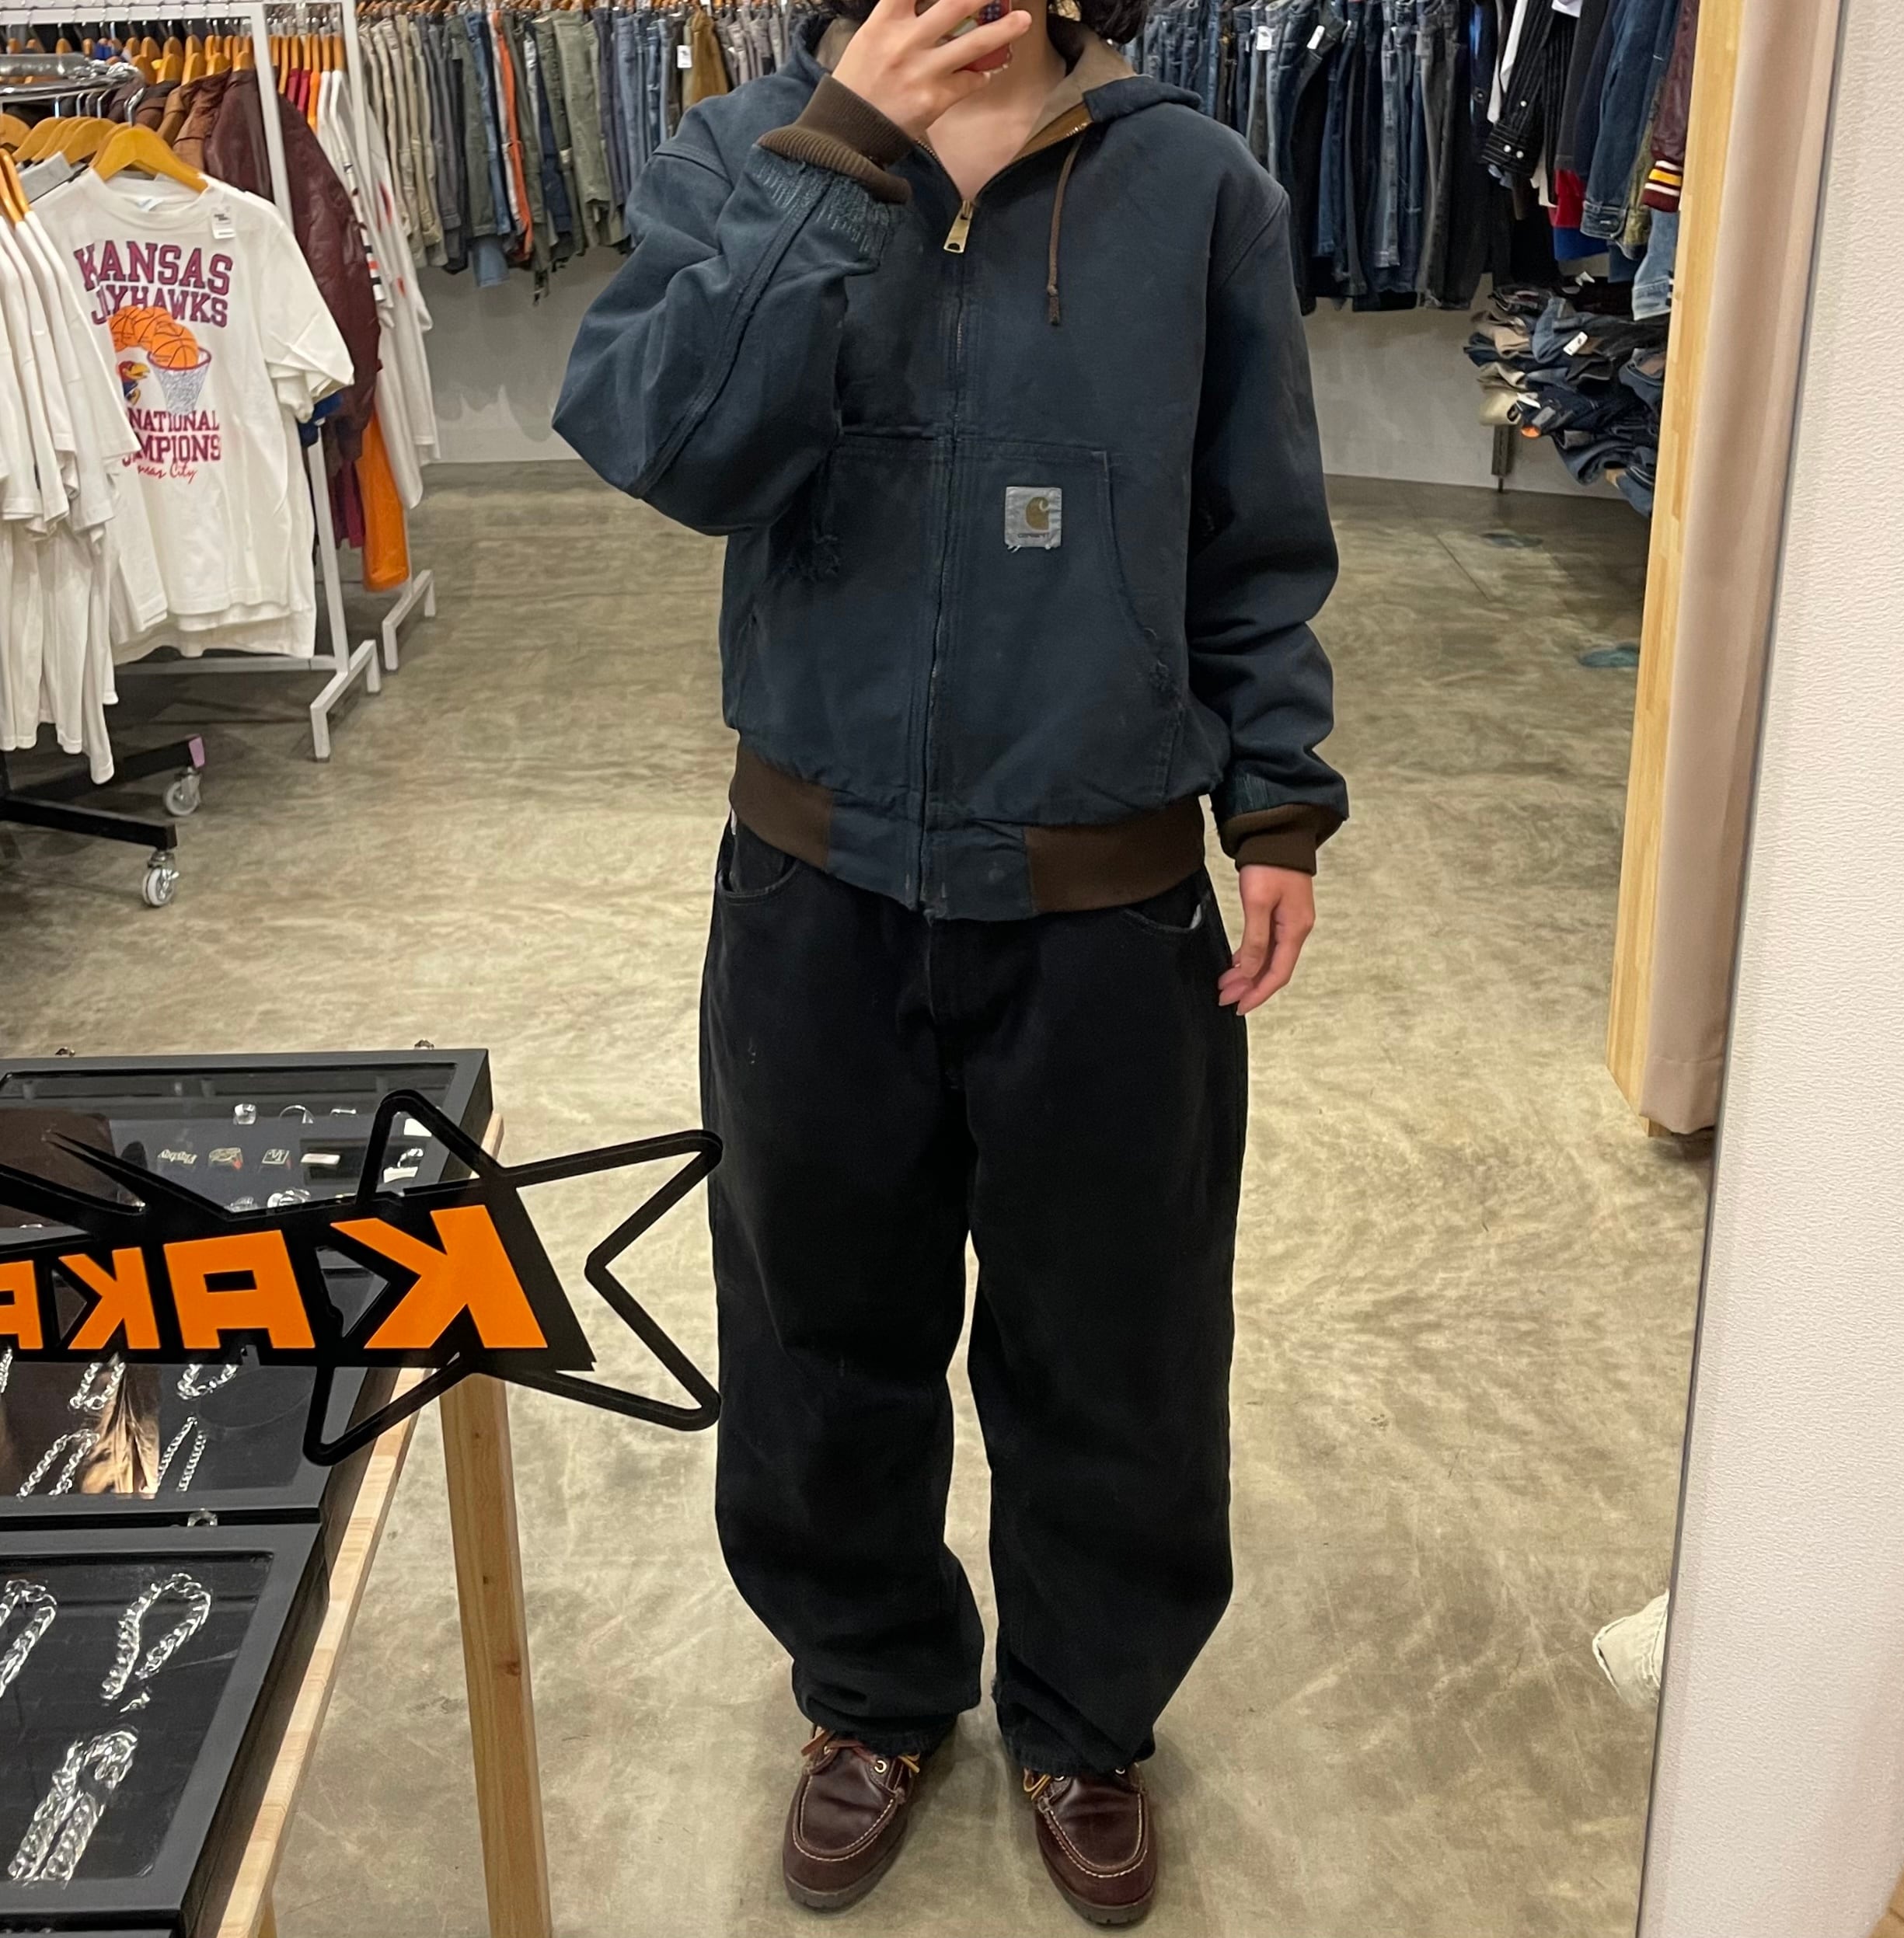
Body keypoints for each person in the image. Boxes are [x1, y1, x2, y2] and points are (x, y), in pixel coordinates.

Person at [554, 0, 1346, 1915]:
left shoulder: (1197, 186)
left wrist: (1274, 799)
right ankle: (869, 1690)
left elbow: (1250, 527)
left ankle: (1087, 1715)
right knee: (817, 1332)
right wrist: (838, 159)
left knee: (1117, 1349)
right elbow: (667, 442)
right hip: (814, 884)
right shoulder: (746, 153)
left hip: (1106, 899)